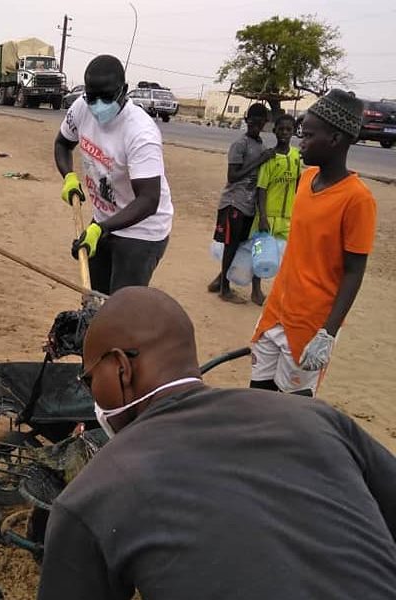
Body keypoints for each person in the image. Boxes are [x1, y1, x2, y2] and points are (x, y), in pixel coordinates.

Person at [38, 286, 396, 600]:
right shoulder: (316, 418)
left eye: (89, 380)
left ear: (120, 368)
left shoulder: (94, 496)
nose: (92, 394)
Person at [250, 90, 376, 396]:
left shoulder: (357, 200)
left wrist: (327, 334)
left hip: (309, 326)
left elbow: (353, 272)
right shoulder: (306, 181)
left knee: (291, 415)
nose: (299, 142)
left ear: (334, 139)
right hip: (276, 313)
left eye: (307, 135)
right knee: (256, 399)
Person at [54, 55, 173, 295]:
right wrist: (69, 176)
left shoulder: (141, 133)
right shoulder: (81, 108)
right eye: (91, 96)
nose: (98, 104)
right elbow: (62, 144)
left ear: (124, 91)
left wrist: (102, 229)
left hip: (141, 232)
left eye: (107, 96)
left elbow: (149, 201)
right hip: (104, 220)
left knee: (119, 308)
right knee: (93, 299)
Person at [207, 103, 275, 304]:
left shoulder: (260, 146)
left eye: (260, 122)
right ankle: (224, 289)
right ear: (247, 121)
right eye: (253, 122)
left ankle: (219, 280)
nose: (256, 126)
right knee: (231, 245)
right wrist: (259, 161)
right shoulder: (240, 144)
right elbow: (233, 175)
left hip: (248, 205)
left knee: (238, 246)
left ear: (265, 123)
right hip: (233, 202)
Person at [250, 113, 300, 305]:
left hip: (287, 216)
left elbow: (298, 184)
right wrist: (262, 216)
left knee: (285, 257)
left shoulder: (296, 156)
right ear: (274, 130)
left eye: (289, 129)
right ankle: (256, 290)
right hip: (268, 216)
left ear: (294, 132)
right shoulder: (270, 158)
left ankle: (282, 293)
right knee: (262, 255)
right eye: (281, 129)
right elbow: (261, 189)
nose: (285, 133)